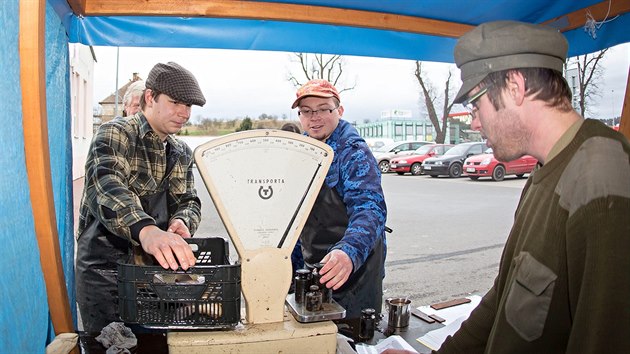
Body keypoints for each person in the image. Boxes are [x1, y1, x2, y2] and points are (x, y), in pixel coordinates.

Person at [387, 20, 630, 354]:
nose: (473, 121)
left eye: (475, 102)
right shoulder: (547, 170)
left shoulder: (602, 175)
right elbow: (503, 298)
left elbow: (605, 338)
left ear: (515, 86)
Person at [76, 61, 206, 333]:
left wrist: (183, 221)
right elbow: (106, 184)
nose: (184, 113)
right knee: (111, 344)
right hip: (105, 273)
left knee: (157, 341)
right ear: (150, 97)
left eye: (189, 107)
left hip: (155, 272)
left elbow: (188, 199)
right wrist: (146, 230)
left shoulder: (181, 151)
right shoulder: (116, 133)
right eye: (176, 103)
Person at [291, 79, 387, 319]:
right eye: (306, 111)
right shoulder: (303, 150)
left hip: (354, 268)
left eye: (323, 109)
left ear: (339, 111)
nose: (314, 117)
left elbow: (370, 208)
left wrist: (349, 252)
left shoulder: (353, 153)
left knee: (352, 335)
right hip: (314, 261)